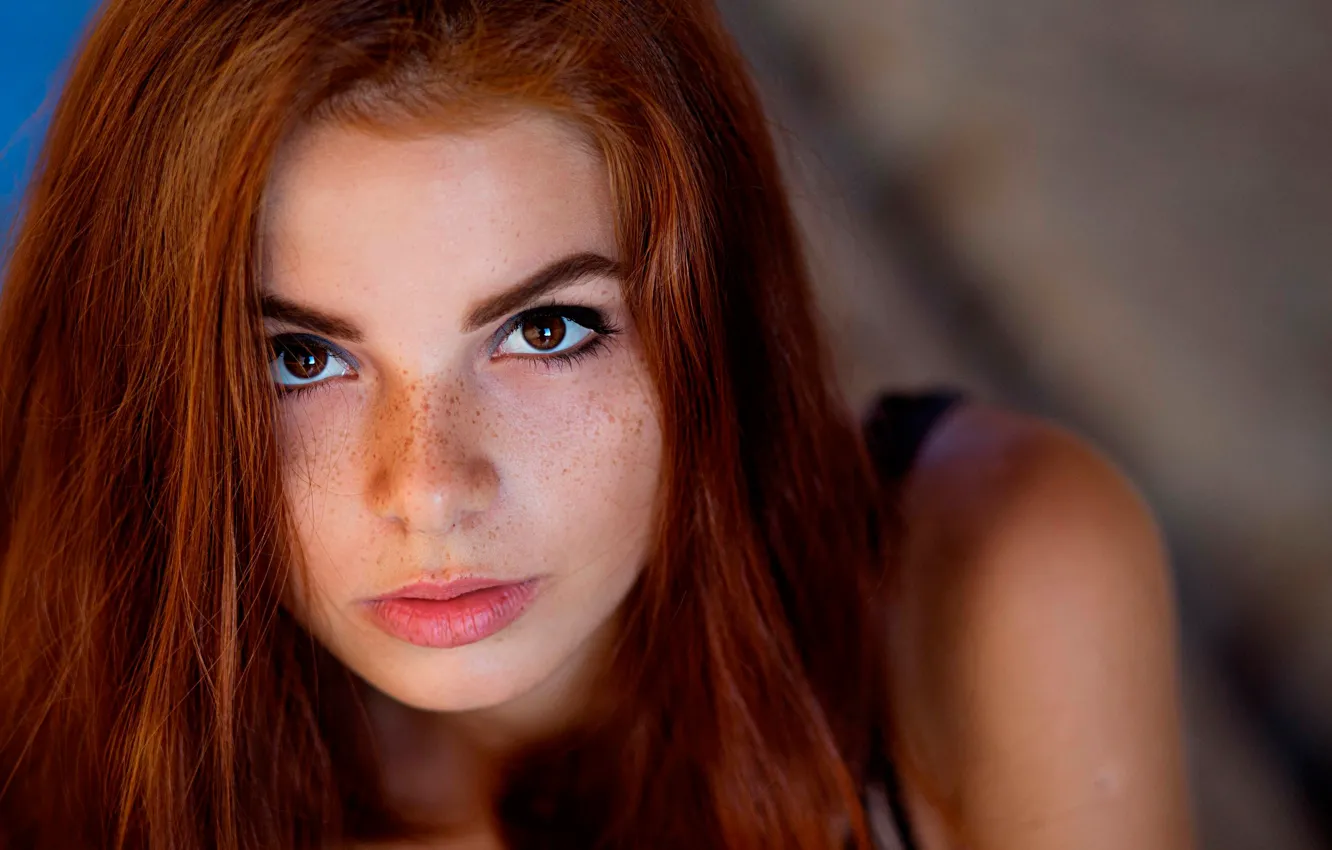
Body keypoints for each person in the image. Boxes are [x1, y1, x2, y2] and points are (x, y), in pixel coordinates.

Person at [0, 1, 1195, 848]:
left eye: (548, 331)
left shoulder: (998, 572)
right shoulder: (50, 725)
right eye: (300, 357)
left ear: (710, 326)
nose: (429, 488)